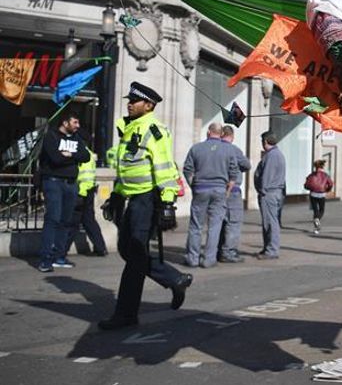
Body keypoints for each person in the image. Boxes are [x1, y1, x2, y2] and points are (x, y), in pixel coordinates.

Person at [98, 82, 192, 330]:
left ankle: (126, 314)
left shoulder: (154, 129)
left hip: (147, 200)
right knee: (127, 251)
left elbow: (164, 168)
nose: (129, 103)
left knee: (135, 257)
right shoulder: (131, 128)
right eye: (129, 100)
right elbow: (128, 168)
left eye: (135, 101)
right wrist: (116, 195)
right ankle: (174, 278)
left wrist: (168, 204)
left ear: (148, 105)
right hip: (132, 199)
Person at [37, 112, 90, 272]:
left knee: (65, 221)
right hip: (54, 182)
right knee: (53, 219)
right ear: (65, 123)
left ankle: (59, 257)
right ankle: (45, 260)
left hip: (71, 184)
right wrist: (74, 157)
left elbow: (86, 156)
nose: (77, 125)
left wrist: (70, 154)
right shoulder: (51, 137)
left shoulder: (76, 139)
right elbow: (55, 158)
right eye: (75, 122)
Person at [182, 123, 240, 268]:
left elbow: (187, 169)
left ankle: (193, 258)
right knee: (215, 226)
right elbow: (234, 171)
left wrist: (193, 185)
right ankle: (209, 259)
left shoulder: (196, 148)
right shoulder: (228, 149)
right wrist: (228, 188)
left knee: (196, 225)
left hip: (201, 188)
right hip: (220, 190)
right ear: (221, 134)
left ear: (208, 132)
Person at [65, 143, 108, 257]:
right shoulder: (88, 153)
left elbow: (83, 177)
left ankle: (61, 251)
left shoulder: (81, 154)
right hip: (88, 190)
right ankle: (100, 247)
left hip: (82, 191)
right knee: (89, 221)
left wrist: (80, 193)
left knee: (73, 222)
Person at [217, 125, 251, 263]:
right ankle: (228, 252)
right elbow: (247, 165)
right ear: (231, 136)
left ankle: (216, 250)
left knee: (218, 222)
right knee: (233, 222)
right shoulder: (234, 150)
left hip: (215, 189)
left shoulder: (213, 148)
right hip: (232, 191)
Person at [254, 132, 286, 259]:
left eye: (262, 141)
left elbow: (267, 175)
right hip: (275, 192)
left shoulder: (272, 156)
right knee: (271, 221)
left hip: (269, 193)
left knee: (270, 222)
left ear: (266, 141)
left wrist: (262, 190)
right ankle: (268, 247)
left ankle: (271, 250)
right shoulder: (277, 154)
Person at [304, 159, 333, 235]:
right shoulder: (325, 175)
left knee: (315, 210)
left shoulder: (311, 175)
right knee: (322, 210)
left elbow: (306, 185)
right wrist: (327, 190)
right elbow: (330, 184)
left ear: (315, 167)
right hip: (322, 194)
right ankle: (317, 221)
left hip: (313, 194)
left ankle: (316, 226)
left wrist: (310, 188)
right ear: (322, 166)